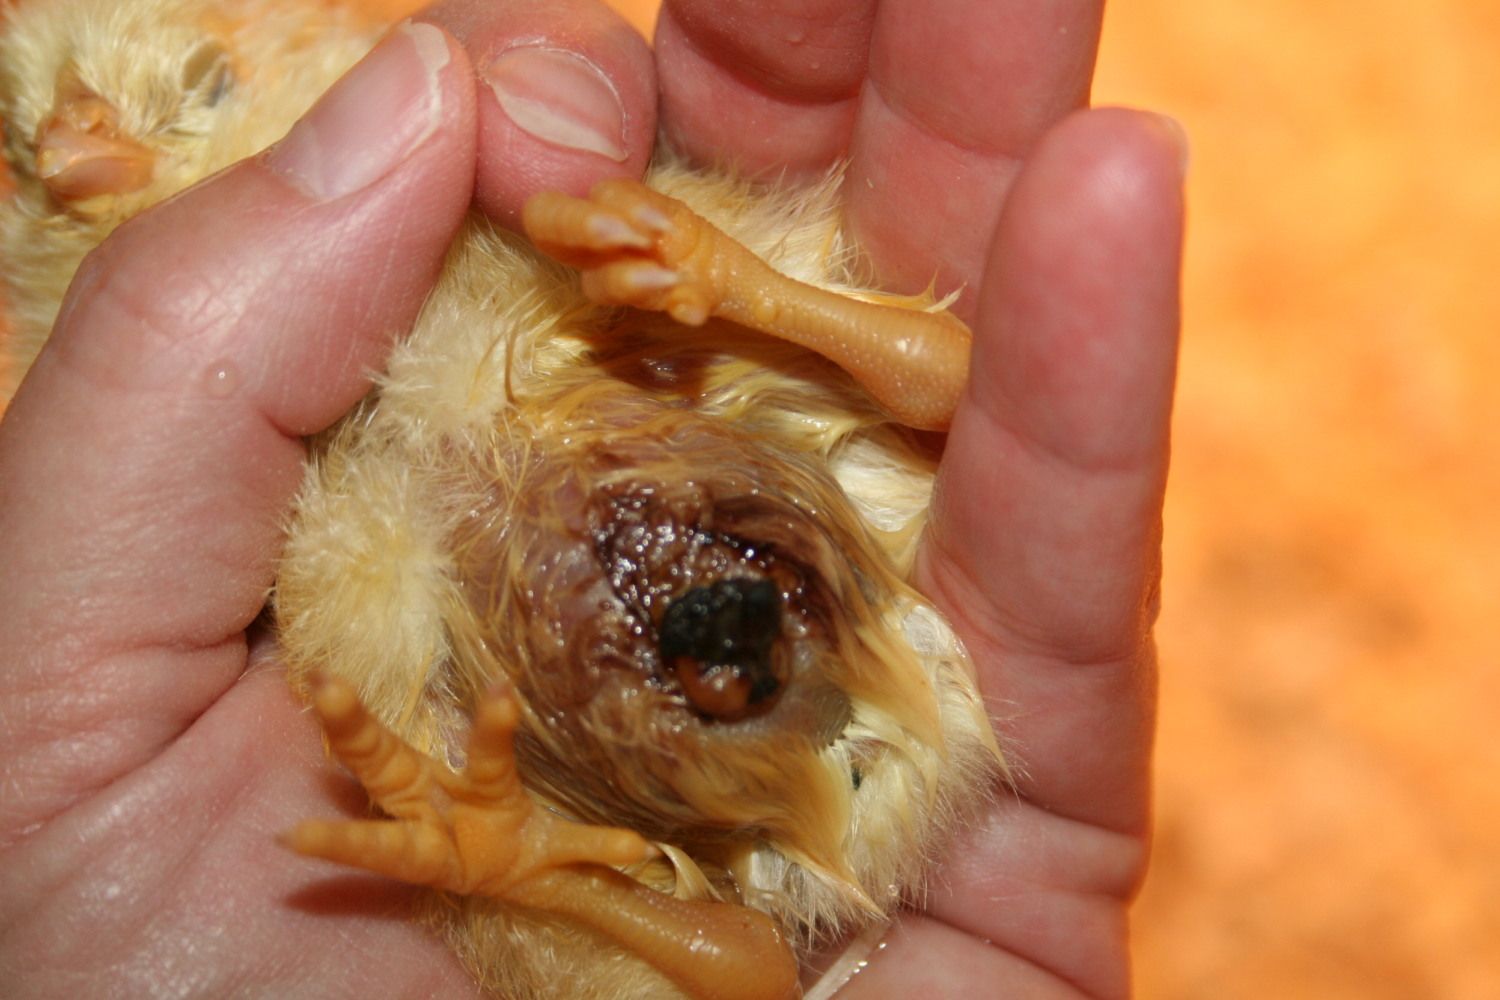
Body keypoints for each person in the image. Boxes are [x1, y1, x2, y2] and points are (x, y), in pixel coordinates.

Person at [0, 0, 1183, 995]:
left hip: (875, 654)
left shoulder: (542, 266)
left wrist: (759, 296)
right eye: (24, 146)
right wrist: (537, 878)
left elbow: (959, 385)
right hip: (712, 803)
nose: (70, 146)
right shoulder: (305, 576)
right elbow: (758, 971)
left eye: (201, 84)